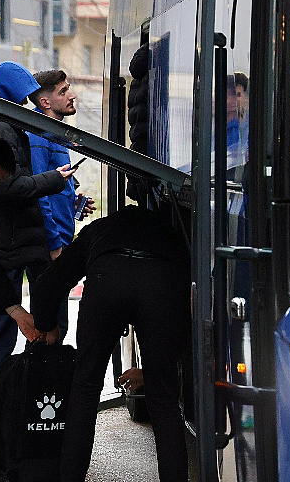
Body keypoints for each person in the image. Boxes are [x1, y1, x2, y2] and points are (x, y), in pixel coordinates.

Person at [0, 61, 77, 443]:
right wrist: (53, 180)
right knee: (4, 330)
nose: (26, 105)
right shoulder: (0, 129)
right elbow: (8, 187)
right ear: (7, 95)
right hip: (10, 242)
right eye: (22, 98)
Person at [30, 204, 190, 482]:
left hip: (106, 280)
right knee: (164, 400)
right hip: (160, 284)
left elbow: (48, 283)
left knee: (85, 388)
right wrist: (161, 366)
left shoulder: (98, 230)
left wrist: (48, 327)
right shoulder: (172, 234)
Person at [26, 69, 94, 339]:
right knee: (51, 328)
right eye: (63, 91)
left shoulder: (54, 134)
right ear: (45, 102)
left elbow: (54, 186)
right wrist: (54, 245)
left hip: (58, 242)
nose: (71, 95)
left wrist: (73, 203)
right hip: (49, 247)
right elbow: (38, 192)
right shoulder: (39, 136)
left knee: (57, 324)